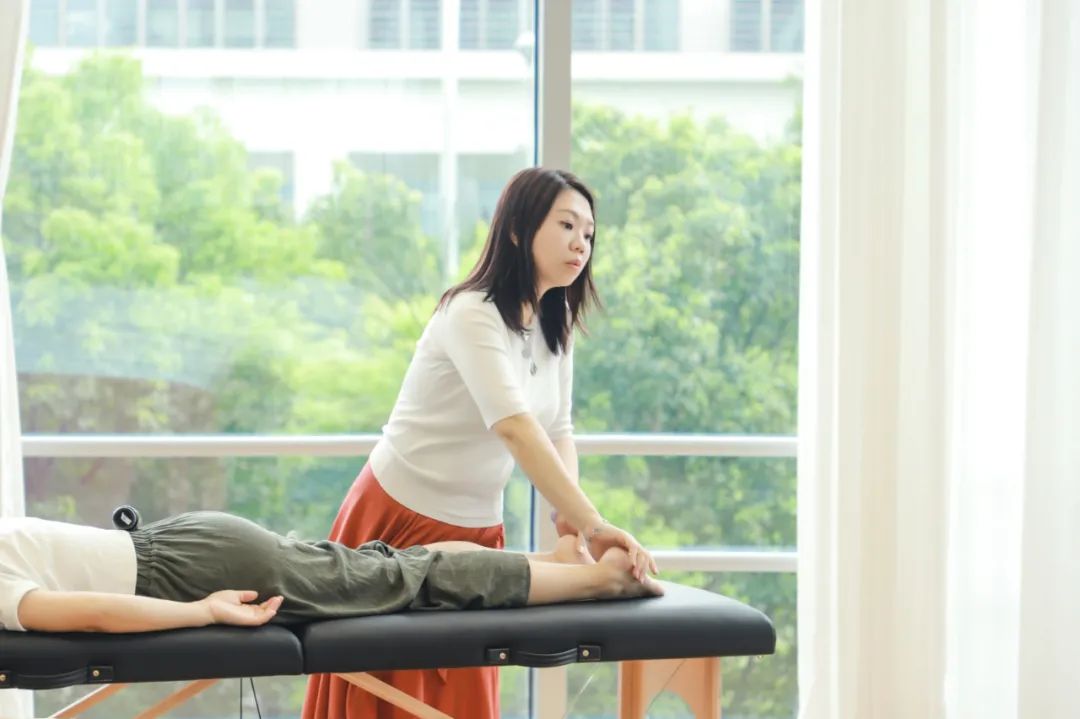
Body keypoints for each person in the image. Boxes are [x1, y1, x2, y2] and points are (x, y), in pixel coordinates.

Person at [304, 167, 659, 719]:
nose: (581, 244)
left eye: (589, 233)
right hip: (398, 521)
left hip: (479, 532)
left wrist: (568, 521)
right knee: (391, 701)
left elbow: (557, 430)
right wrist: (594, 525)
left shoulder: (556, 318)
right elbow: (515, 426)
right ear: (517, 229)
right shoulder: (470, 312)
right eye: (567, 225)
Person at [0, 510, 662, 634]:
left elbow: (94, 612)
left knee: (413, 581)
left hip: (193, 572)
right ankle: (550, 563)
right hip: (186, 540)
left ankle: (601, 582)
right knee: (390, 568)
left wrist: (202, 610)